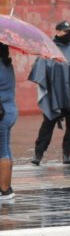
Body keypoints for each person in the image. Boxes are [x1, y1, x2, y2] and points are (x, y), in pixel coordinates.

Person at [29, 21, 70, 165]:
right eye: (65, 31)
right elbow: (40, 71)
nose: (68, 34)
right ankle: (38, 154)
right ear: (57, 31)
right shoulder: (48, 50)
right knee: (47, 125)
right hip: (54, 96)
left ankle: (67, 154)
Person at [0, 44, 17, 200]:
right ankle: (7, 187)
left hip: (1, 113)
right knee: (5, 147)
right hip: (10, 110)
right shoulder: (7, 63)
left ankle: (4, 190)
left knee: (1, 151)